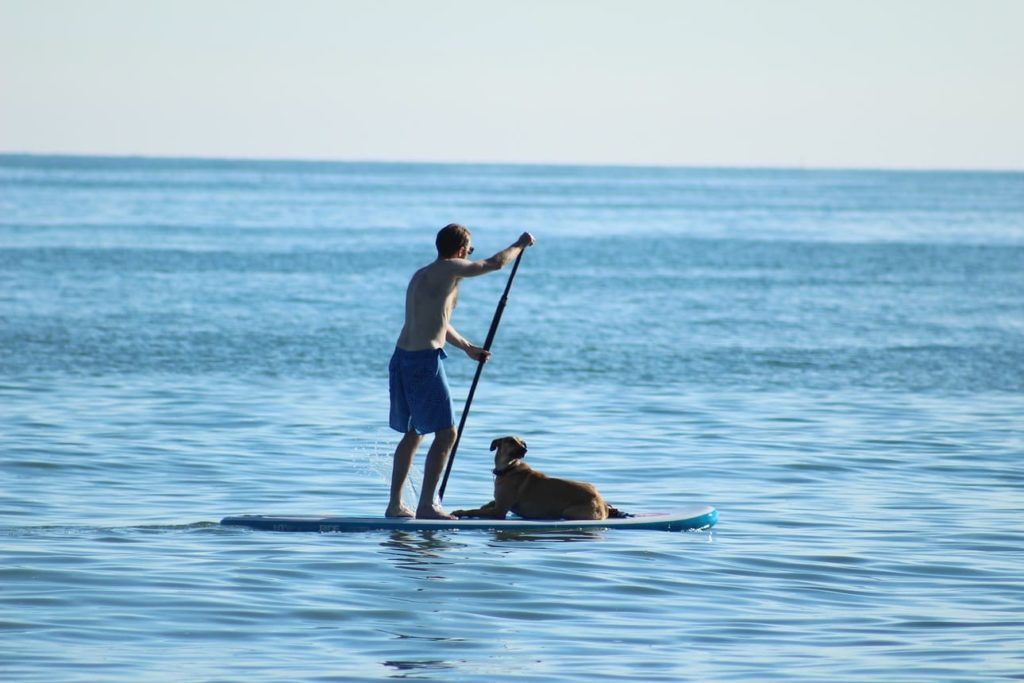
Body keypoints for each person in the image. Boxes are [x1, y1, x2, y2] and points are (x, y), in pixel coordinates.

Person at [387, 224, 535, 519]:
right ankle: (427, 506)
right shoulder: (448, 268)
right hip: (422, 362)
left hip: (402, 358)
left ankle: (395, 506)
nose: (470, 255)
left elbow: (436, 322)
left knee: (414, 433)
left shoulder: (422, 274)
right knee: (446, 434)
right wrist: (519, 244)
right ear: (459, 250)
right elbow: (493, 264)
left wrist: (468, 347)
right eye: (469, 250)